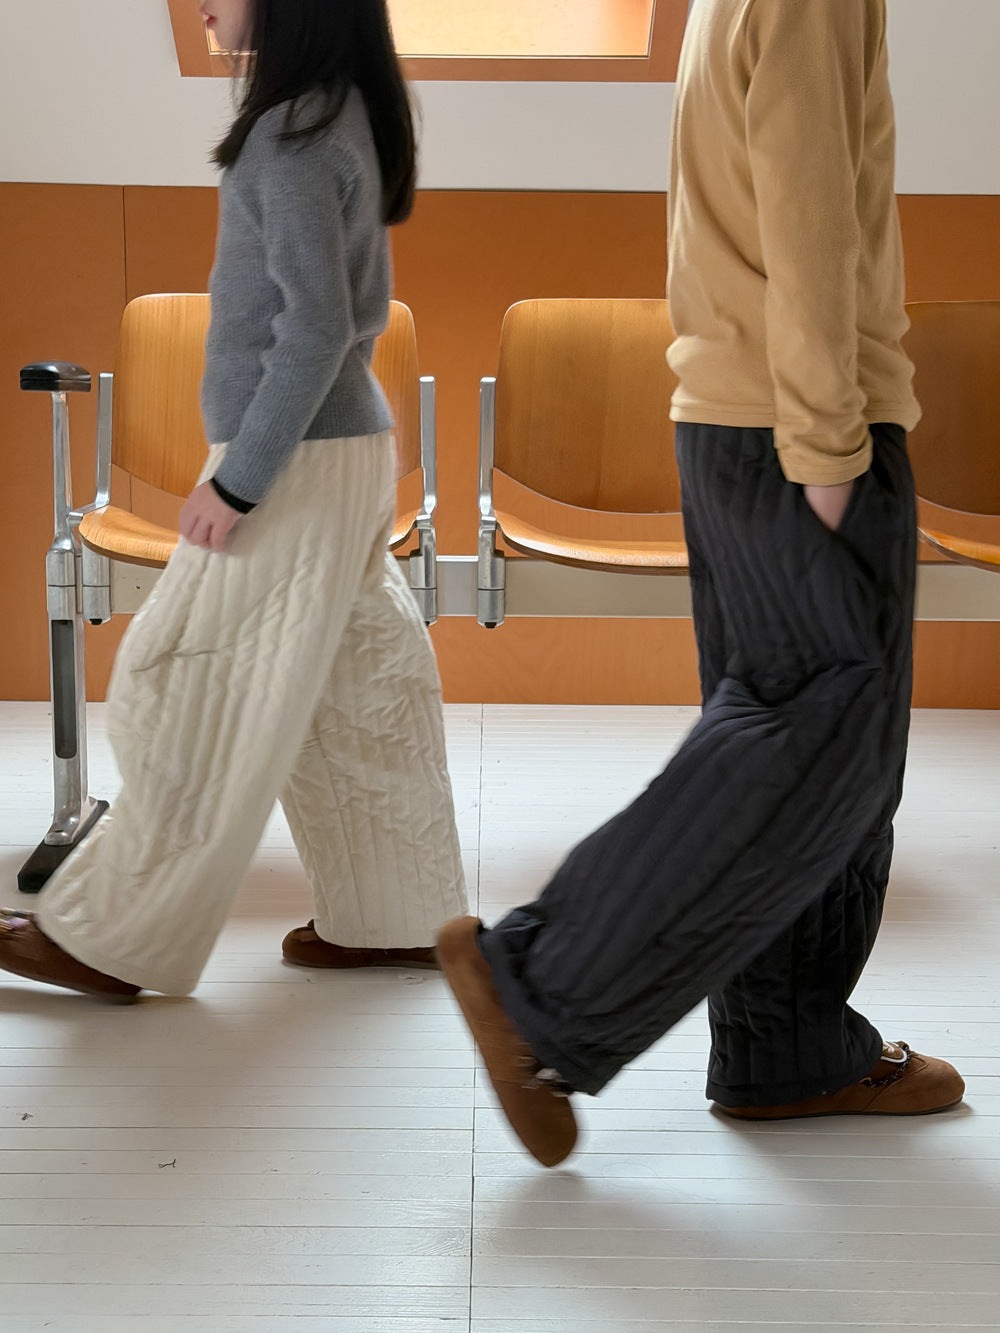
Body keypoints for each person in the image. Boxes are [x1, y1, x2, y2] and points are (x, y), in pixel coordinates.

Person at [436, 0, 965, 1168]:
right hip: (801, 430)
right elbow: (806, 214)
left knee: (824, 750)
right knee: (810, 734)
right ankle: (536, 979)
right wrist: (827, 447)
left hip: (742, 418)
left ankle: (788, 1047)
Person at [0, 0, 467, 1000]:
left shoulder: (289, 134)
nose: (201, 2)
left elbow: (314, 331)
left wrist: (239, 479)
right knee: (362, 682)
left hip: (297, 458)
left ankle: (112, 939)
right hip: (346, 449)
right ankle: (392, 917)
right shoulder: (342, 108)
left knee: (183, 680)